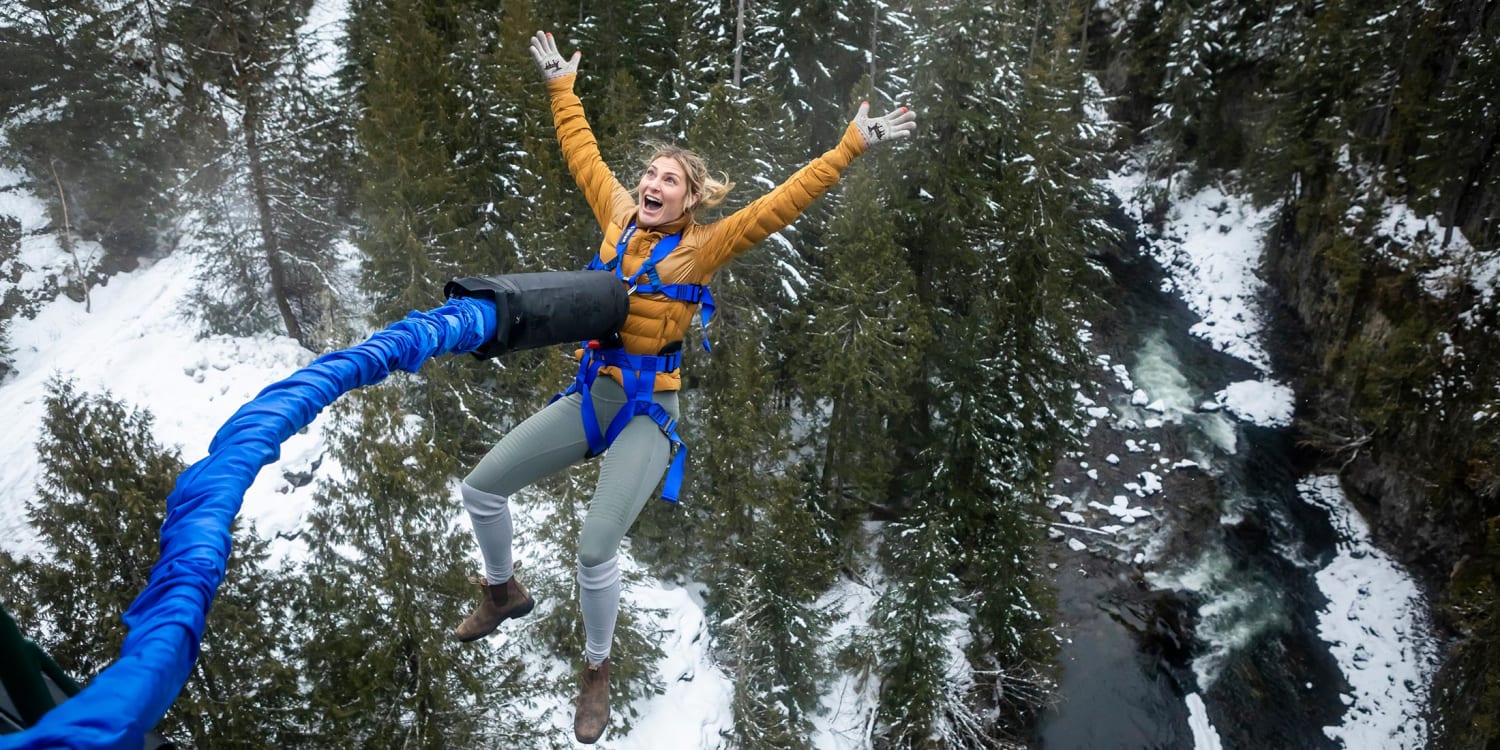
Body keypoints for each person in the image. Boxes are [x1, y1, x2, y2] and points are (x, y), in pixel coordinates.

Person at [453, 29, 916, 744]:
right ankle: (500, 589)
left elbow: (781, 204)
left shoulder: (702, 248)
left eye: (671, 179)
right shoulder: (616, 215)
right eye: (651, 174)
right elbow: (584, 155)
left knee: (594, 548)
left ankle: (598, 669)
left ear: (692, 199)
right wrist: (561, 92)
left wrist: (849, 146)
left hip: (647, 413)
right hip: (595, 393)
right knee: (481, 487)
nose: (653, 183)